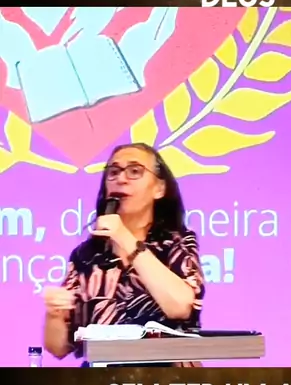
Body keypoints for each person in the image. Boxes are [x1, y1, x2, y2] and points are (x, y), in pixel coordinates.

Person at [42, 142, 205, 367]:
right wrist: (54, 314)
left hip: (166, 379)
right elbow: (58, 348)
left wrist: (124, 237)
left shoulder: (176, 244)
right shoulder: (87, 256)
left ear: (159, 188)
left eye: (134, 171)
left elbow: (180, 307)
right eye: (113, 172)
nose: (121, 179)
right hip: (100, 381)